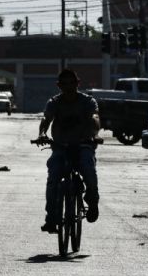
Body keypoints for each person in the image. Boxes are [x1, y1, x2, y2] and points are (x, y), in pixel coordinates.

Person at [36, 69, 100, 233]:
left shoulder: (88, 101)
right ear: (59, 86)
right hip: (61, 147)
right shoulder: (54, 102)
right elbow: (46, 119)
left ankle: (92, 202)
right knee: (53, 179)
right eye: (64, 84)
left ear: (78, 83)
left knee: (89, 171)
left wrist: (94, 133)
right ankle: (51, 218)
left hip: (83, 146)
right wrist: (42, 134)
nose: (68, 87)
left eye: (72, 83)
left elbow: (95, 117)